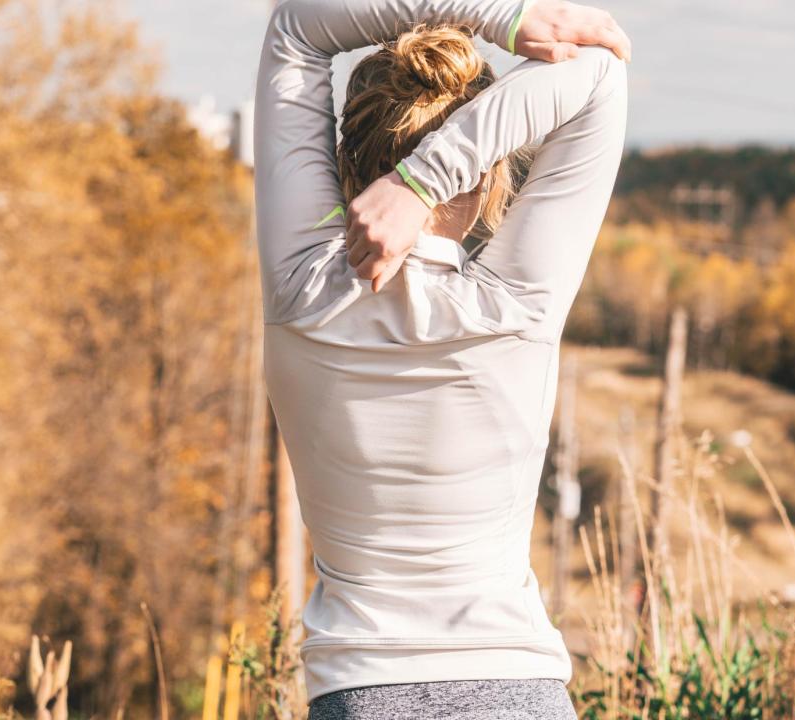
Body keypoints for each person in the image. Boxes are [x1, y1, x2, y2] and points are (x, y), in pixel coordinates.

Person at [252, 0, 631, 717]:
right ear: (489, 177)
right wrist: (424, 182)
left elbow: (297, 29)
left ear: (341, 159)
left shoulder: (299, 291)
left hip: (360, 693)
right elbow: (600, 73)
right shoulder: (513, 309)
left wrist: (497, 16)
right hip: (518, 691)